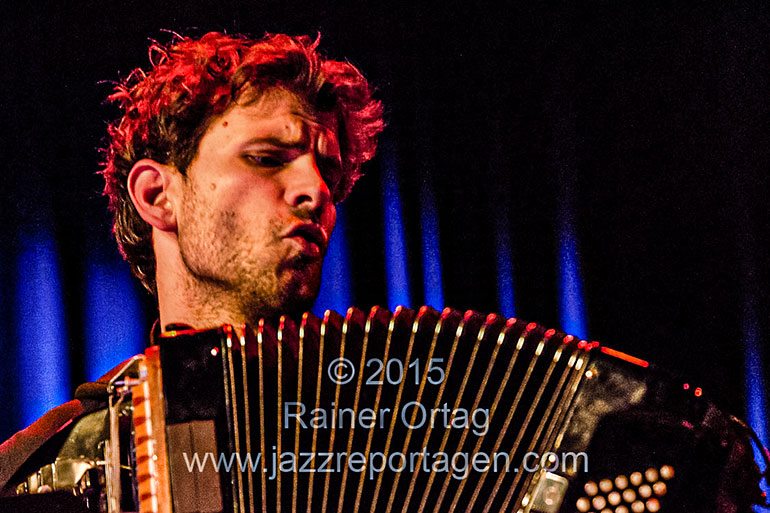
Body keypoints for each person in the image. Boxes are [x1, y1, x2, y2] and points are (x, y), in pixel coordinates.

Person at [0, 30, 383, 495]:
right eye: (266, 158)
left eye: (330, 171)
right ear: (158, 196)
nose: (318, 190)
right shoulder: (39, 473)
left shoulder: (389, 408)